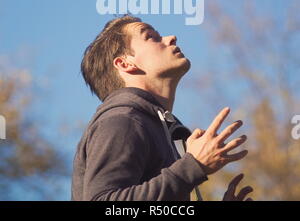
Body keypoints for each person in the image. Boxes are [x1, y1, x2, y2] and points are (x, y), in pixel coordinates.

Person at [71, 15, 253, 201]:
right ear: (125, 63)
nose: (171, 37)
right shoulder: (123, 120)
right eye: (151, 37)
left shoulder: (158, 128)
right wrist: (192, 166)